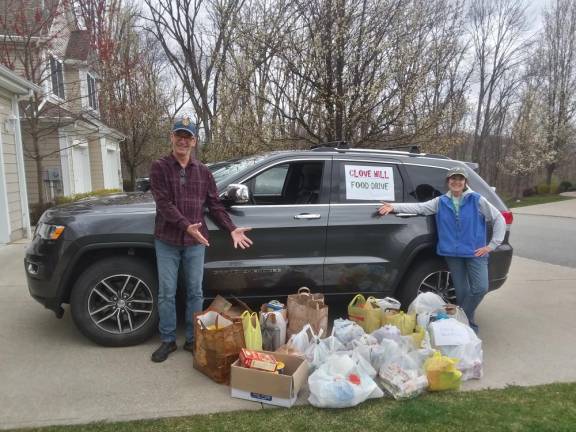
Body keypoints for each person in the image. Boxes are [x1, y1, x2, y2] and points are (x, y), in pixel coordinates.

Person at [149, 117, 253, 362]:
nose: (183, 141)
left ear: (194, 141)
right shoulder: (159, 167)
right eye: (179, 135)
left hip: (196, 243)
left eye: (188, 137)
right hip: (167, 240)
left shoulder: (204, 172)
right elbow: (163, 204)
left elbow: (215, 205)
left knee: (195, 292)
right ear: (171, 138)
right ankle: (167, 340)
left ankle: (194, 340)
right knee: (166, 292)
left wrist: (231, 229)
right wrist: (186, 226)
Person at [377, 166, 505, 332]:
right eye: (453, 179)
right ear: (448, 182)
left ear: (465, 182)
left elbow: (499, 218)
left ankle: (458, 319)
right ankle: (468, 327)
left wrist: (492, 245)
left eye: (460, 179)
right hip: (452, 254)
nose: (456, 182)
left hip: (475, 252)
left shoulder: (476, 200)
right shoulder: (441, 202)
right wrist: (394, 207)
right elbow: (420, 208)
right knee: (462, 292)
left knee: (480, 288)